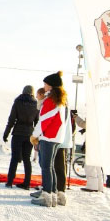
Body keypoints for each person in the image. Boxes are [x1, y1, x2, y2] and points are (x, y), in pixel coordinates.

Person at [31, 71, 69, 207]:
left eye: (45, 84)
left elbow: (44, 120)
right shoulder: (59, 100)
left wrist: (35, 135)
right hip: (56, 136)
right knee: (51, 166)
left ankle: (47, 195)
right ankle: (52, 194)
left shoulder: (51, 100)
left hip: (49, 136)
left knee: (46, 166)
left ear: (51, 86)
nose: (44, 86)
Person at [3, 85, 39, 189]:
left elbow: (12, 119)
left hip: (18, 132)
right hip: (29, 134)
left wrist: (6, 133)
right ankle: (27, 183)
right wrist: (36, 136)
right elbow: (37, 122)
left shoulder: (18, 102)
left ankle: (10, 181)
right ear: (32, 93)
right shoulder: (36, 104)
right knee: (27, 158)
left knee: (14, 158)